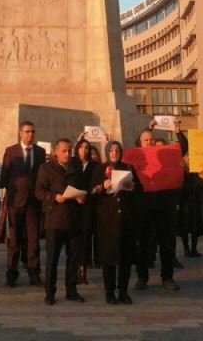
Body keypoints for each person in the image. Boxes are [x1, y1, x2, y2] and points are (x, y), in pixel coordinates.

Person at [35, 138, 86, 304]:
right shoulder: (46, 168)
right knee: (52, 259)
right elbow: (39, 191)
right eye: (63, 150)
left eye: (69, 150)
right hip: (55, 219)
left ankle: (72, 290)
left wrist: (80, 197)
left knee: (73, 258)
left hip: (73, 219)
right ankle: (49, 293)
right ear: (55, 151)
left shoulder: (76, 167)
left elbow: (81, 187)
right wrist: (53, 197)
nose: (67, 154)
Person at [0, 120, 46, 287]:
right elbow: (4, 177)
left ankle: (34, 273)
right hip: (15, 203)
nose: (30, 134)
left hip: (33, 203)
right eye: (27, 131)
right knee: (14, 240)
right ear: (20, 133)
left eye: (33, 132)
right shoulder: (11, 151)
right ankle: (11, 274)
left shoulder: (40, 152)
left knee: (33, 240)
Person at [91, 141, 139, 304]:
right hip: (107, 220)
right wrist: (101, 186)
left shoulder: (129, 168)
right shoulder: (99, 169)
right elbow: (91, 192)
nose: (114, 153)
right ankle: (109, 291)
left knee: (125, 258)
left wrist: (132, 186)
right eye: (111, 150)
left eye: (117, 150)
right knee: (109, 258)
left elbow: (140, 190)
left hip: (126, 220)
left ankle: (123, 291)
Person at [134, 129, 180, 292]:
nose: (150, 143)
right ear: (140, 144)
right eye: (146, 140)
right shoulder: (135, 163)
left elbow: (184, 151)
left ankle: (167, 277)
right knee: (143, 245)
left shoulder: (166, 161)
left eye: (152, 140)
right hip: (143, 208)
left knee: (167, 244)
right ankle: (142, 276)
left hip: (164, 207)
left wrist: (179, 134)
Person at [74, 134, 102, 285]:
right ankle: (75, 269)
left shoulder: (95, 166)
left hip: (88, 205)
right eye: (81, 147)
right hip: (73, 206)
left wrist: (89, 195)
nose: (84, 150)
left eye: (86, 148)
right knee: (74, 240)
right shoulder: (73, 164)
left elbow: (96, 185)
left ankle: (83, 271)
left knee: (85, 239)